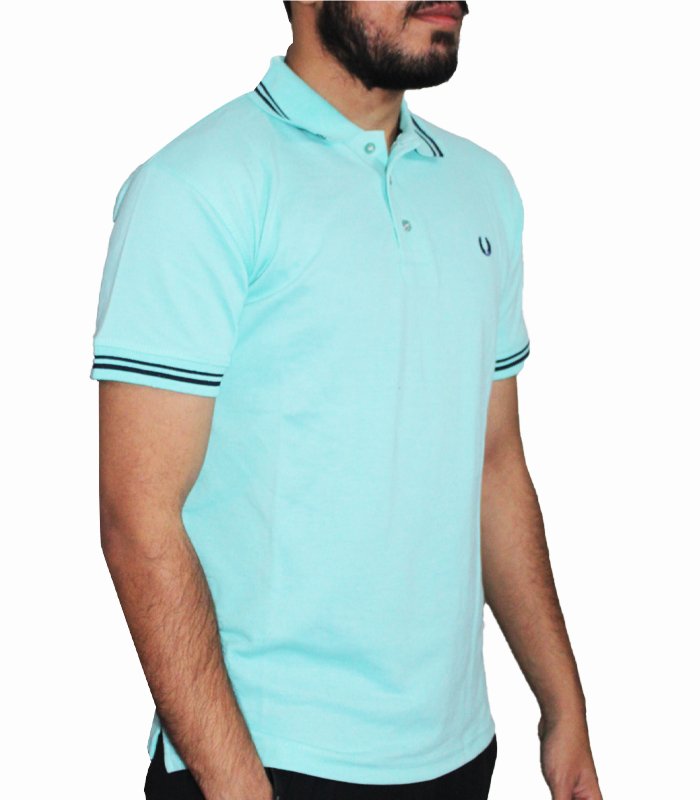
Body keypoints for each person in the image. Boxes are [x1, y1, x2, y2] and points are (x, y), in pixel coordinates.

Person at [90, 2, 603, 798]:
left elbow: (495, 465)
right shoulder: (197, 187)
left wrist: (562, 705)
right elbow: (137, 516)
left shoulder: (483, 189)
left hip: (458, 752)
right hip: (269, 757)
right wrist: (237, 786)